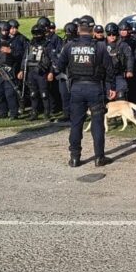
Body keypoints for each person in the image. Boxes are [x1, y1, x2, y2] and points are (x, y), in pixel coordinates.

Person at [56, 20, 116, 167]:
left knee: (76, 123)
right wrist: (112, 87)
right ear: (93, 29)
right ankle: (99, 157)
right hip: (95, 88)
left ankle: (74, 158)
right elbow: (110, 69)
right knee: (97, 124)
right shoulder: (100, 46)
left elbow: (59, 66)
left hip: (76, 88)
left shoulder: (69, 46)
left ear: (78, 29)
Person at [0, 22, 22, 120]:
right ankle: (2, 112)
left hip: (9, 72)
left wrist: (11, 51)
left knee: (10, 94)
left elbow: (21, 56)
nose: (5, 32)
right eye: (3, 31)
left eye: (6, 30)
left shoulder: (14, 42)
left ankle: (14, 113)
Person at [24, 24, 55, 121]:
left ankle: (47, 113)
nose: (36, 36)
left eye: (38, 33)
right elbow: (25, 58)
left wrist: (51, 72)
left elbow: (53, 60)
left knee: (44, 94)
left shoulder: (48, 44)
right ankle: (34, 113)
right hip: (31, 72)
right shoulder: (30, 44)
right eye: (35, 34)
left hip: (42, 72)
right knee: (33, 94)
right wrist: (22, 70)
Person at [54, 21, 79, 122]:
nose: (68, 35)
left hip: (75, 72)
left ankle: (77, 114)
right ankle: (66, 114)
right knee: (64, 94)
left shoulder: (79, 43)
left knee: (76, 95)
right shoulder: (63, 42)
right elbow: (56, 54)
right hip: (63, 72)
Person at [104, 23, 134, 99]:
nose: (111, 36)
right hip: (106, 76)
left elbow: (129, 57)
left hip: (118, 74)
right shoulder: (101, 44)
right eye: (109, 34)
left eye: (113, 34)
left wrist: (129, 70)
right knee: (107, 96)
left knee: (121, 94)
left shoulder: (123, 45)